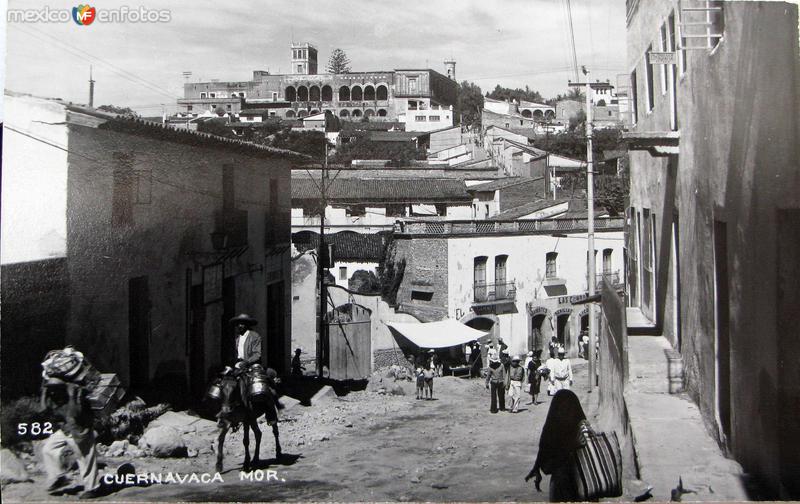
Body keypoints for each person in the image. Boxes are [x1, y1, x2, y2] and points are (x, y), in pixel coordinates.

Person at [39, 377, 101, 499]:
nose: (52, 392)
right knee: (48, 449)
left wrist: (72, 396)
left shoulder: (76, 397)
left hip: (81, 429)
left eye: (54, 389)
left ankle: (92, 488)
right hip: (66, 429)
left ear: (62, 388)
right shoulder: (53, 397)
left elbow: (74, 414)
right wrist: (44, 393)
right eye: (50, 389)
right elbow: (43, 410)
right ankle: (59, 477)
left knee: (85, 458)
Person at [525, 390, 591, 502]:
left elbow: (545, 447)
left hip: (560, 483)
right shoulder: (582, 428)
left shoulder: (552, 428)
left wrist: (537, 467)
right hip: (585, 482)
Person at [229, 313, 262, 407]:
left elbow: (257, 354)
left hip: (251, 365)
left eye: (242, 323)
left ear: (247, 325)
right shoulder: (237, 338)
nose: (240, 326)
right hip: (238, 365)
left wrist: (246, 362)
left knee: (258, 386)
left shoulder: (255, 336)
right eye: (238, 324)